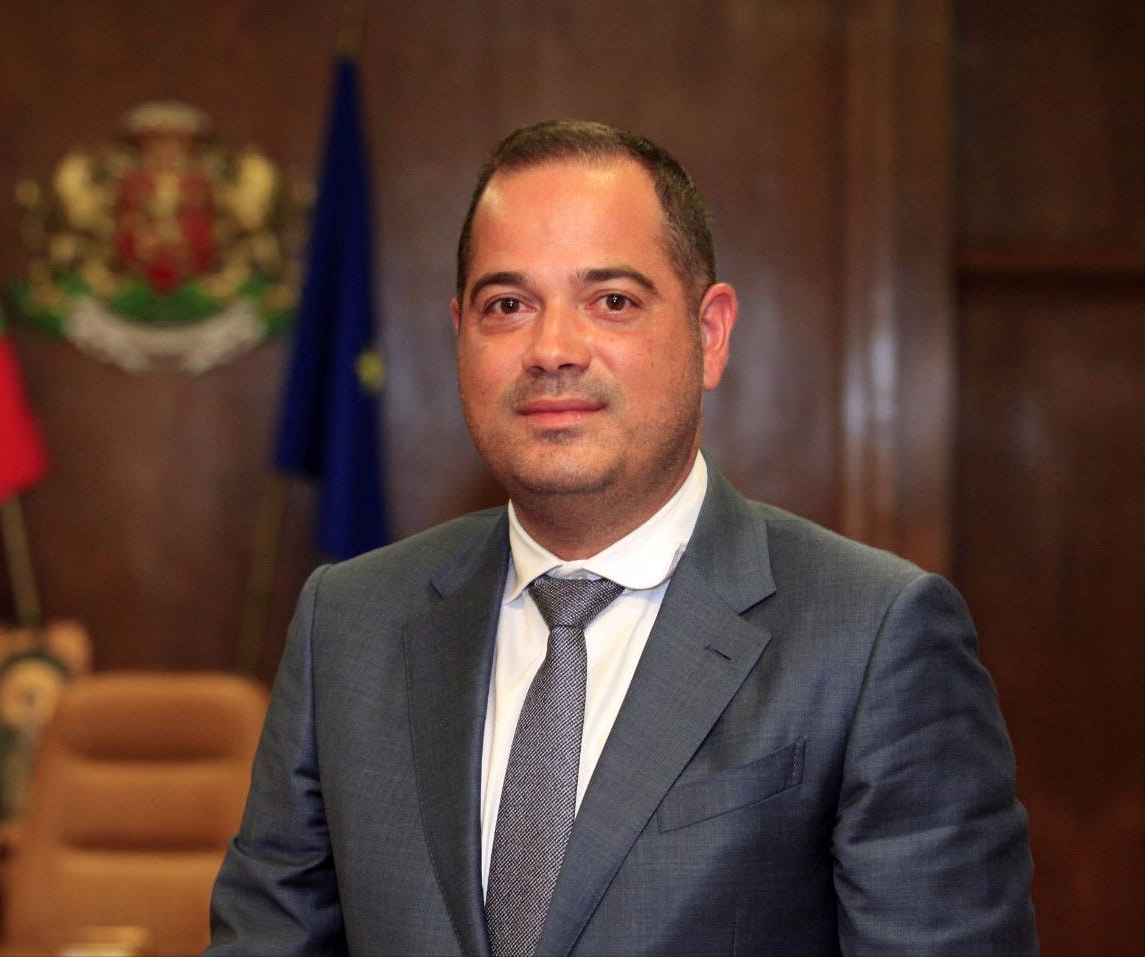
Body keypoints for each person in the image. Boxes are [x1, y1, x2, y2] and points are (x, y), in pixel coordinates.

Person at [208, 121, 1038, 956]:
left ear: (709, 334)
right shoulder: (347, 623)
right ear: (459, 335)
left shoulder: (874, 636)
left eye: (612, 301)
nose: (552, 350)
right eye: (508, 306)